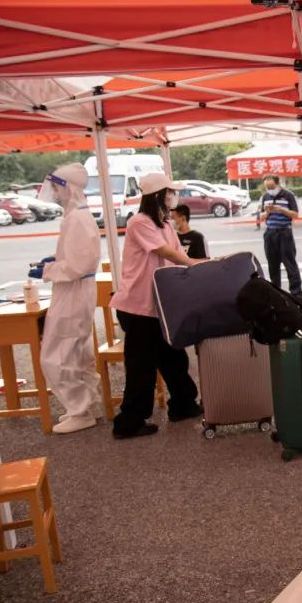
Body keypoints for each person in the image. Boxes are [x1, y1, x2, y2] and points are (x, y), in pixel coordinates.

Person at [109, 173, 204, 440]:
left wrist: (203, 263)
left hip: (160, 304)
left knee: (173, 356)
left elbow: (179, 255)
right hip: (138, 307)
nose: (174, 196)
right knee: (141, 366)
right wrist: (194, 264)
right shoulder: (139, 222)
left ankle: (183, 404)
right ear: (158, 195)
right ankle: (129, 422)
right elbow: (167, 253)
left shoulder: (165, 224)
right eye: (170, 192)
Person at [29, 163, 102, 434]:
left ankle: (80, 410)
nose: (55, 193)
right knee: (77, 351)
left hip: (73, 290)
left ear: (67, 187)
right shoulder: (79, 214)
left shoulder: (76, 219)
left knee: (56, 354)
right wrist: (55, 260)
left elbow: (76, 266)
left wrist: (48, 270)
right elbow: (78, 258)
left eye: (57, 187)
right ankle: (84, 405)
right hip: (78, 289)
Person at [260, 175, 302, 297]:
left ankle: (297, 295)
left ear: (278, 184)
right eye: (267, 187)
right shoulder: (265, 197)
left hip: (285, 232)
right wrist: (267, 212)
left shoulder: (288, 195)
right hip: (270, 233)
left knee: (290, 264)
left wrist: (281, 210)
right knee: (273, 265)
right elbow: (261, 216)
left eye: (272, 187)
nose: (270, 190)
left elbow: (295, 214)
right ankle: (276, 295)